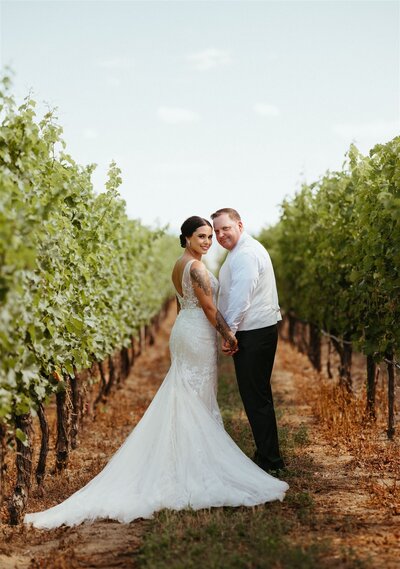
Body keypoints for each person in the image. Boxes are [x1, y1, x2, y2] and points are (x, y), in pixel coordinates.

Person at [24, 215, 288, 529]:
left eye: (210, 236)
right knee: (194, 397)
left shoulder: (180, 264)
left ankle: (184, 459)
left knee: (187, 396)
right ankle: (194, 465)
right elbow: (207, 308)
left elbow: (182, 307)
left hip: (186, 330)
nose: (208, 241)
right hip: (197, 334)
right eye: (202, 236)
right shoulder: (198, 268)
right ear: (188, 237)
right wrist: (229, 335)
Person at [211, 208, 285, 473]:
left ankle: (271, 461)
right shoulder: (240, 252)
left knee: (256, 396)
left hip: (254, 331)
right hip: (255, 330)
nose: (220, 235)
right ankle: (266, 454)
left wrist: (229, 333)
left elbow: (242, 296)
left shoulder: (246, 254)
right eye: (216, 231)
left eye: (225, 228)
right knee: (255, 395)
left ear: (239, 225)